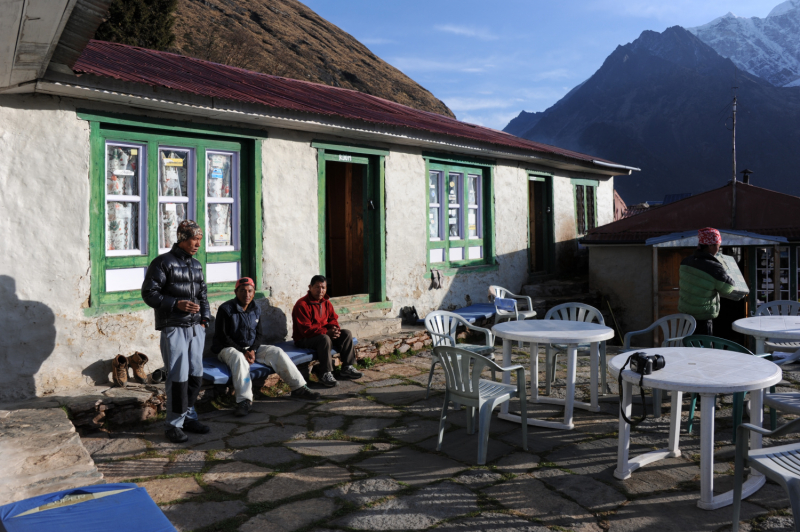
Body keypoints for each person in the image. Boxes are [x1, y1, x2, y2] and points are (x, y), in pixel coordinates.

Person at [142, 220, 211, 444]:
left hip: (195, 328)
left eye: (200, 239)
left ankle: (188, 416)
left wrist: (204, 321)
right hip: (174, 327)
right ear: (182, 238)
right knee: (178, 377)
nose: (198, 244)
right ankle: (173, 425)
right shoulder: (163, 263)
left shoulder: (197, 265)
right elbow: (149, 293)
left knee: (195, 375)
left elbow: (203, 296)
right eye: (194, 239)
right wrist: (176, 304)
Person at [212, 277, 320, 416]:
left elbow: (259, 334)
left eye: (250, 291)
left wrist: (253, 350)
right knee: (239, 358)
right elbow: (223, 337)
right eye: (243, 291)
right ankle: (244, 401)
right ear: (236, 292)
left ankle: (298, 388)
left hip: (250, 348)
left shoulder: (255, 308)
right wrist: (244, 351)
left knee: (276, 351)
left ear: (254, 292)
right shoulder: (226, 309)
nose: (247, 294)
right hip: (227, 349)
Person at [292, 275, 362, 387]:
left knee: (346, 334)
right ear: (310, 287)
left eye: (323, 287)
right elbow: (306, 330)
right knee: (324, 339)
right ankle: (325, 373)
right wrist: (326, 332)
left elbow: (333, 319)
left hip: (322, 335)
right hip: (304, 339)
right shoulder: (302, 305)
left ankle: (347, 368)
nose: (321, 290)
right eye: (317, 287)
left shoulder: (326, 302)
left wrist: (334, 329)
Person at [678, 227, 736, 336]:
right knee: (704, 350)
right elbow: (728, 288)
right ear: (710, 246)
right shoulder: (713, 267)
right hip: (702, 318)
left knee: (688, 347)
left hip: (686, 316)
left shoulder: (685, 262)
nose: (718, 249)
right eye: (718, 245)